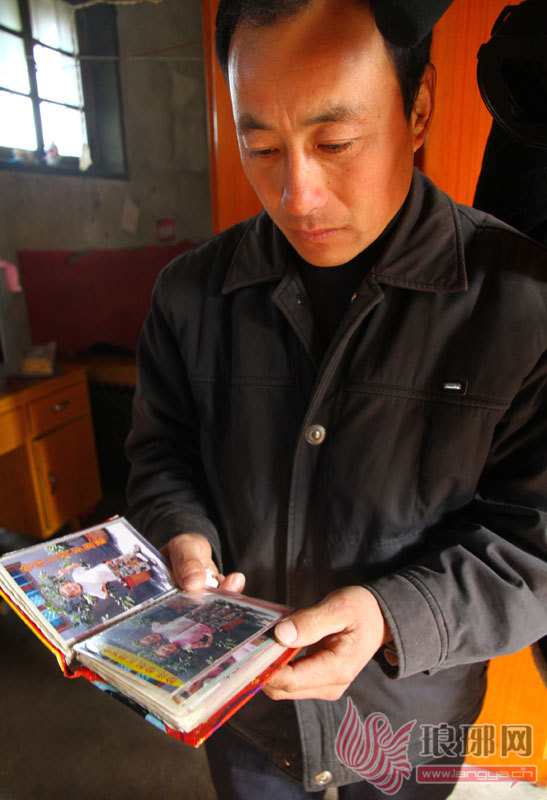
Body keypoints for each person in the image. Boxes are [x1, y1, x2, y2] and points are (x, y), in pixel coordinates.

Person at [125, 0, 547, 797]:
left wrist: (392, 616)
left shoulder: (522, 304)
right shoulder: (188, 296)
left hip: (408, 719)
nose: (297, 194)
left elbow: (534, 543)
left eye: (334, 143)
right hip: (247, 707)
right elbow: (162, 454)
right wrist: (181, 534)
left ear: (417, 109)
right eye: (260, 148)